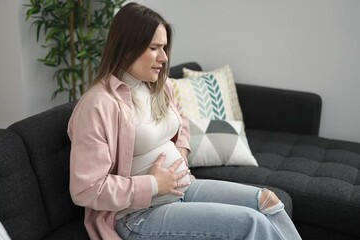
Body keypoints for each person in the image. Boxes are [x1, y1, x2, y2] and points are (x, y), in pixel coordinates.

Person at [67, 2, 302, 240]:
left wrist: (181, 149)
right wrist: (153, 184)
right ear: (128, 47)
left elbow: (182, 122)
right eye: (154, 48)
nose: (164, 57)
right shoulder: (98, 105)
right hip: (139, 215)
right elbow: (86, 189)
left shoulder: (160, 84)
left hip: (184, 187)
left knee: (267, 202)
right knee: (251, 223)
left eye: (165, 48)